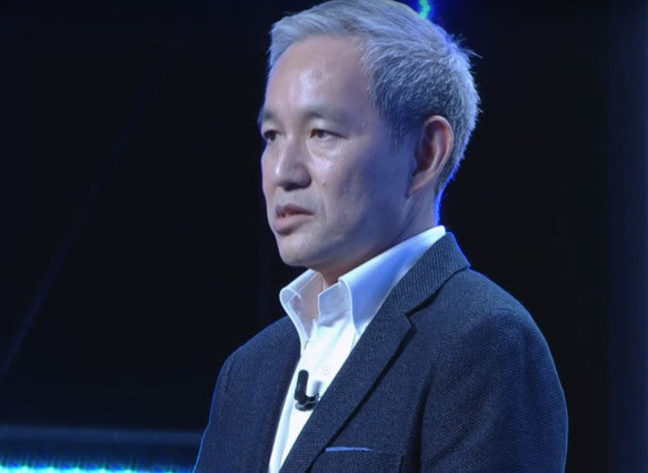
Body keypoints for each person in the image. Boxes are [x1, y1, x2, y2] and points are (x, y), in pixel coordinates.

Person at [194, 0, 568, 471]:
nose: (283, 172)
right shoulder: (249, 370)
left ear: (425, 153)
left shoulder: (485, 342)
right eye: (272, 136)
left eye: (321, 133)